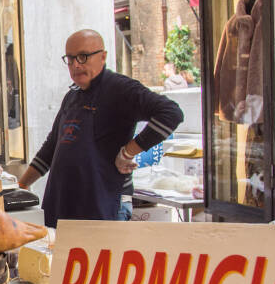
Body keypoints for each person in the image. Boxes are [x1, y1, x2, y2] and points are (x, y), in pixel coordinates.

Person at [18, 29, 183, 228]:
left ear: (103, 56)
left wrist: (128, 151)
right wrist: (21, 185)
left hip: (103, 206)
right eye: (70, 59)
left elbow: (171, 113)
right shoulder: (72, 96)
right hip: (64, 205)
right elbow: (52, 146)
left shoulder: (120, 89)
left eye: (83, 57)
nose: (75, 65)